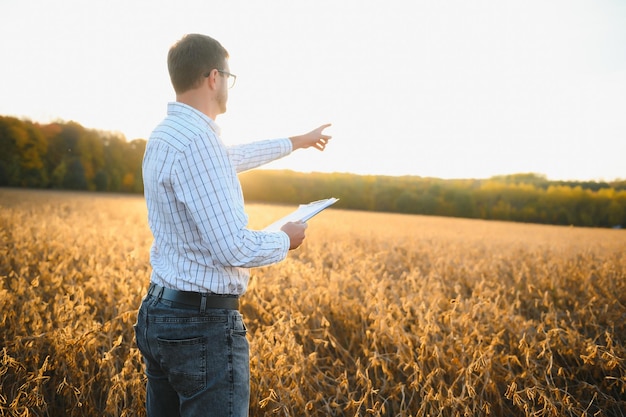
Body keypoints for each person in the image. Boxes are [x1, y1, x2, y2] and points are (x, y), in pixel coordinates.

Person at [134, 33, 332, 417]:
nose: (228, 86)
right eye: (229, 77)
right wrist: (284, 239)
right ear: (213, 77)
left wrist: (298, 142)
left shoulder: (165, 135)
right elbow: (233, 249)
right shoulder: (199, 143)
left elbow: (229, 157)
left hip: (159, 312)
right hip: (201, 327)